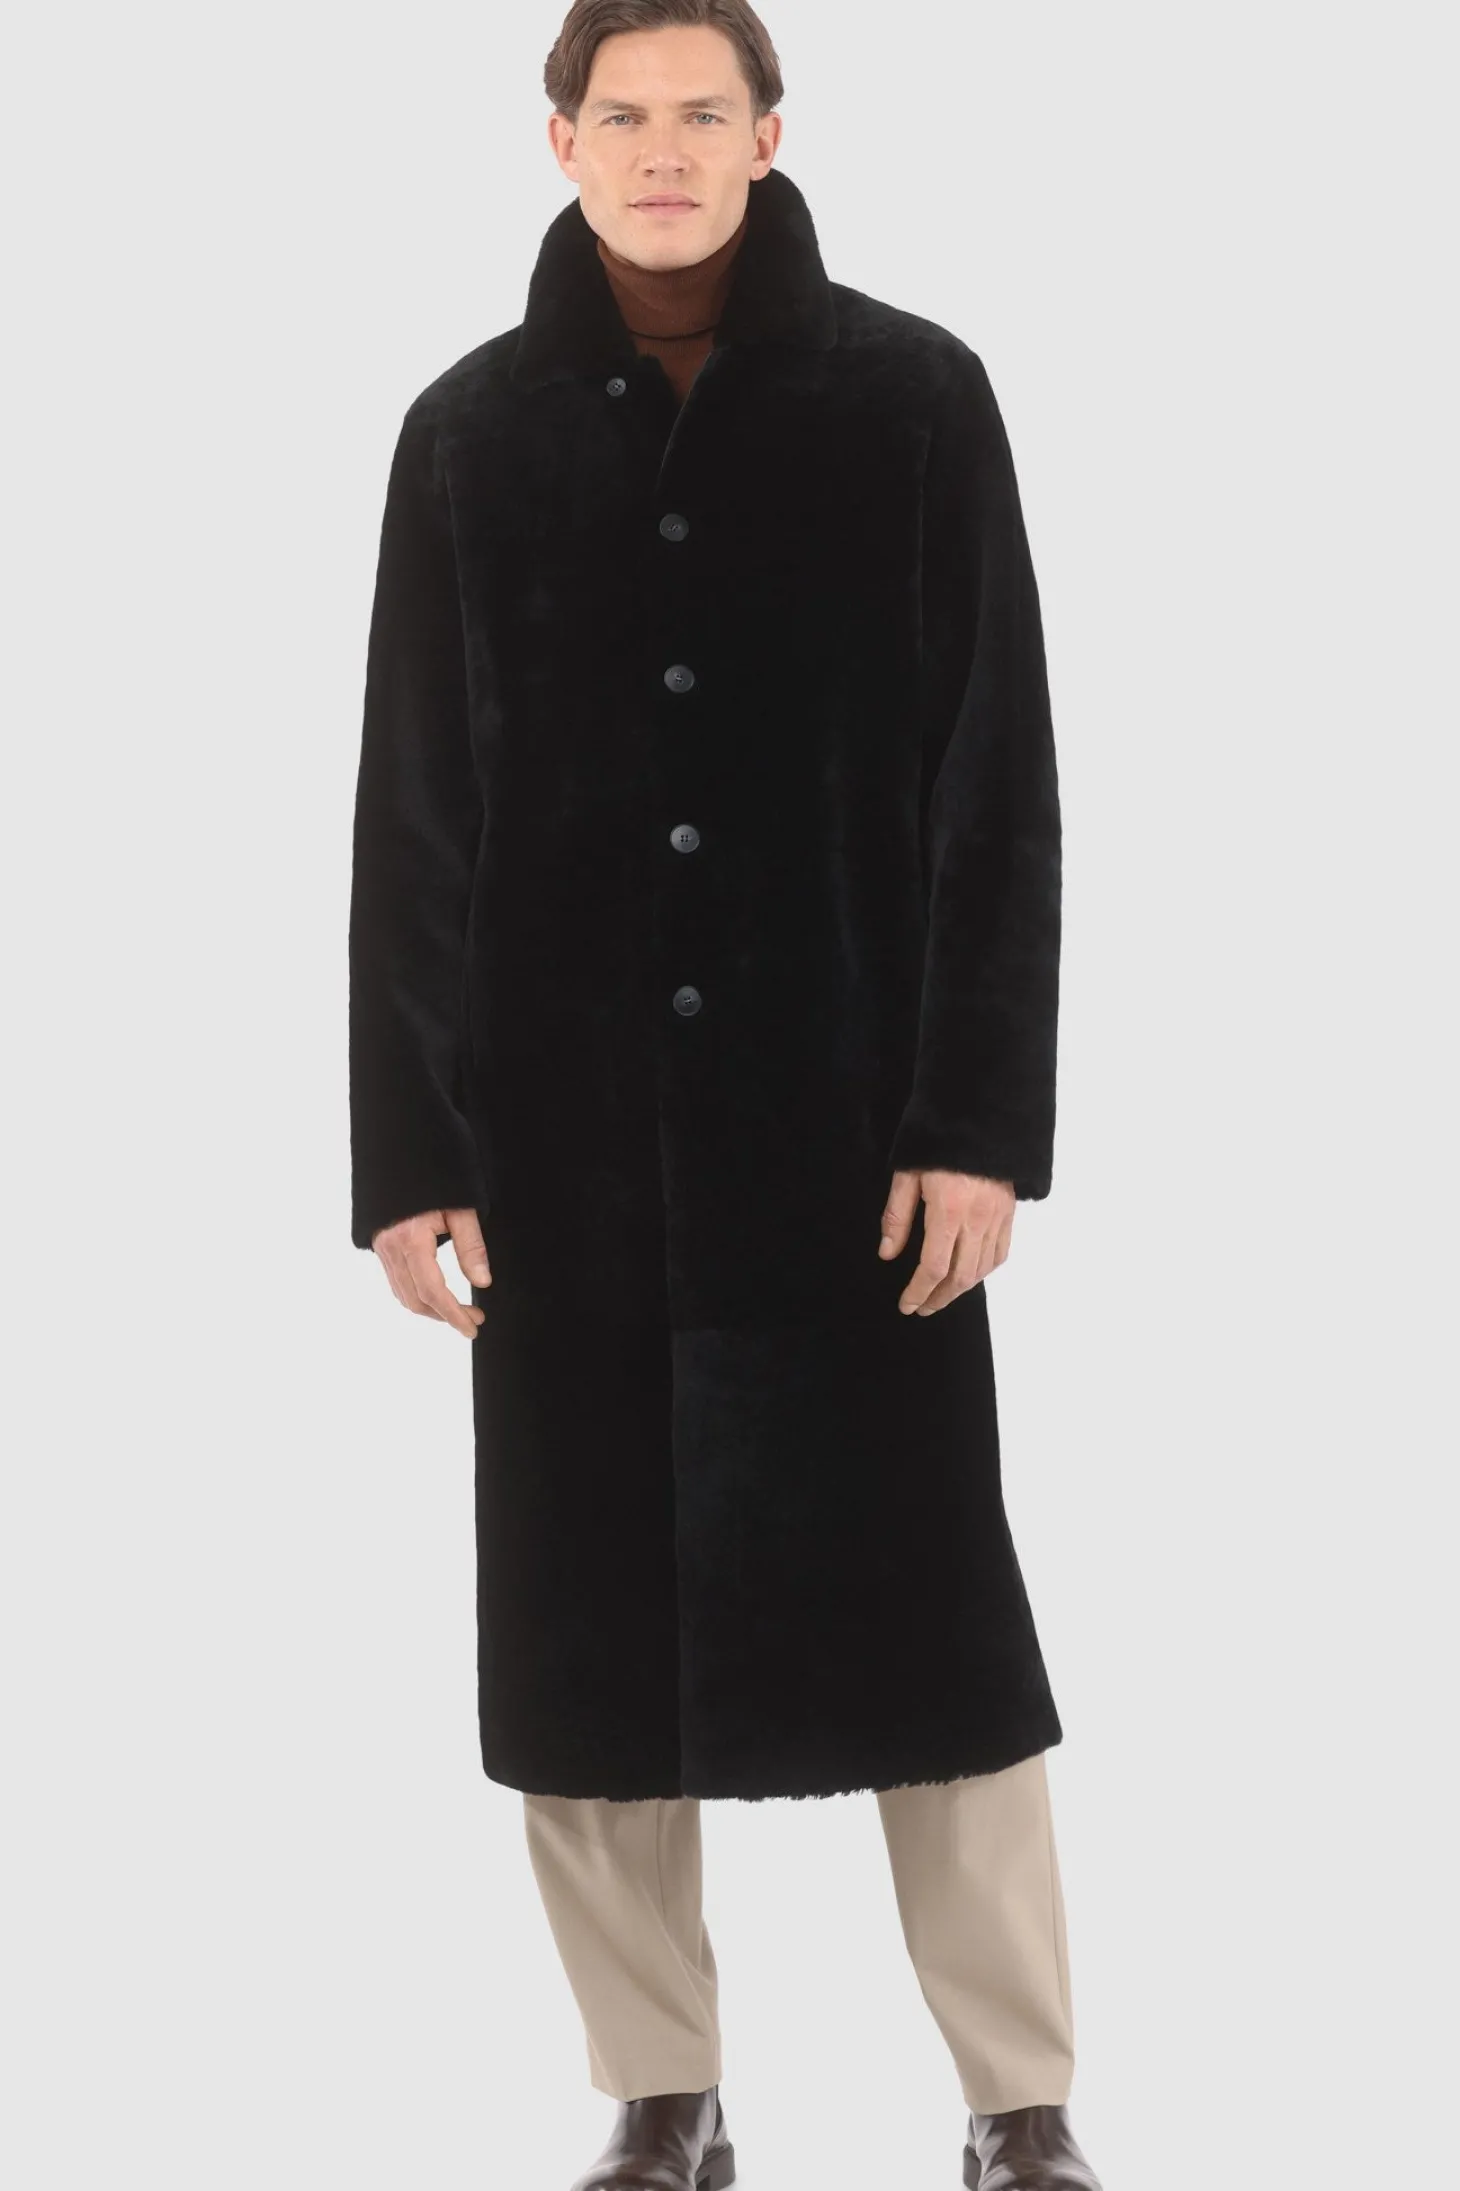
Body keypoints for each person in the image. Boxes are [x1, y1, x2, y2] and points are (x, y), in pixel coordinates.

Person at [347, 4, 1101, 2186]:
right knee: (584, 1655)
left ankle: (1021, 2099)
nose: (662, 151)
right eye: (624, 116)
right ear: (559, 141)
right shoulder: (466, 435)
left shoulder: (913, 400)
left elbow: (997, 781)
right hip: (565, 1151)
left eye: (703, 113)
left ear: (770, 135)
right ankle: (661, 2092)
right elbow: (413, 806)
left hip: (849, 1143)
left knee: (941, 1644)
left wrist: (978, 1118)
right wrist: (412, 1151)